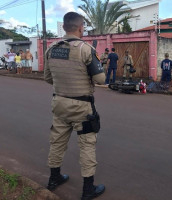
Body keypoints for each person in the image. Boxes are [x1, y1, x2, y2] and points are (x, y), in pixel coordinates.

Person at [44, 12, 106, 200]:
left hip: (59, 103)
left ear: (63, 27)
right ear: (81, 28)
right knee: (87, 145)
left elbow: (48, 78)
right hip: (82, 106)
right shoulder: (86, 49)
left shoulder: (51, 49)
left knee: (57, 141)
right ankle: (88, 189)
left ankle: (54, 179)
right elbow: (101, 79)